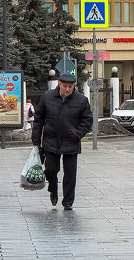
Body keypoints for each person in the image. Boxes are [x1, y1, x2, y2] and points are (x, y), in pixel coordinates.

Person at [32, 72, 93, 211]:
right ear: (59, 84)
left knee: (70, 174)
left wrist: (78, 134)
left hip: (71, 141)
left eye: (70, 86)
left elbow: (88, 120)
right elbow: (38, 119)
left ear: (74, 86)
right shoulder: (47, 97)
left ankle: (68, 202)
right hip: (51, 141)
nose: (67, 89)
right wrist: (36, 141)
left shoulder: (81, 100)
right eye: (65, 86)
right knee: (50, 170)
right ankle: (53, 188)